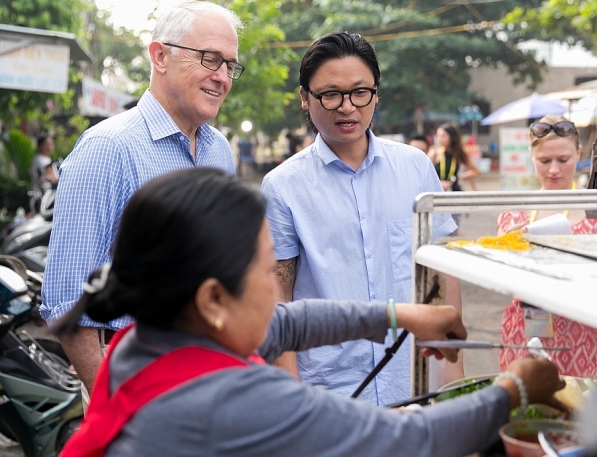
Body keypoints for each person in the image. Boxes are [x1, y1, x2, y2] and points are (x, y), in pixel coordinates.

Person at [56, 167, 565, 457]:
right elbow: (414, 441)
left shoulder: (148, 341)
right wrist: (515, 388)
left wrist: (403, 315)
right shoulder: (235, 397)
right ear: (213, 299)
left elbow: (290, 323)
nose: (276, 285)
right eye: (264, 269)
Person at [41, 0, 244, 406]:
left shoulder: (219, 151)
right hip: (135, 379)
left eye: (230, 65)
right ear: (160, 56)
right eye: (209, 58)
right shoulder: (107, 148)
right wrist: (117, 404)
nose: (221, 76)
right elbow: (65, 301)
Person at [260, 32, 461, 403]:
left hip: (412, 377)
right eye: (330, 94)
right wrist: (289, 397)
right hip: (329, 390)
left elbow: (442, 268)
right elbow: (278, 298)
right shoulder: (283, 186)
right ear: (305, 99)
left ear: (375, 94)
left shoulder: (415, 168)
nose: (347, 107)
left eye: (359, 92)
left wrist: (451, 379)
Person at [497, 115, 597, 378]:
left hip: (582, 329)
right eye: (544, 161)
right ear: (532, 155)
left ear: (578, 152)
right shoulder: (514, 215)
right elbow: (501, 277)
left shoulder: (592, 211)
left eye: (563, 160)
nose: (554, 170)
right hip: (526, 327)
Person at [429, 122, 480, 193]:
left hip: (454, 191)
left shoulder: (459, 153)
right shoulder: (434, 153)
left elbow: (475, 171)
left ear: (452, 137)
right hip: (438, 192)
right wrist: (439, 183)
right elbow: (426, 174)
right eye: (438, 136)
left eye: (443, 136)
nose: (439, 139)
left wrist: (459, 177)